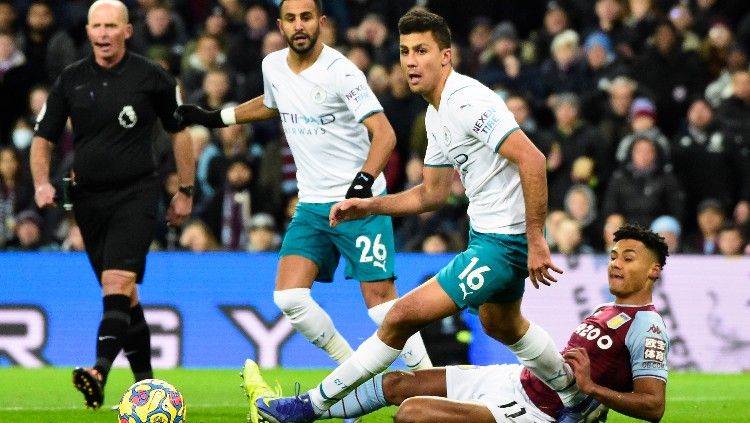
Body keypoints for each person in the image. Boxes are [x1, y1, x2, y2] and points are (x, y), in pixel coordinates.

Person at [254, 9, 598, 423]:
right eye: (404, 52)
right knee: (501, 324)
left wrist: (536, 239)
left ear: (446, 56)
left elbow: (533, 159)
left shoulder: (466, 101)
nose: (411, 61)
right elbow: (431, 195)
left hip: (504, 245)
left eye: (422, 50)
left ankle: (310, 406)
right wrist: (369, 205)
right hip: (487, 239)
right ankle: (578, 399)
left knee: (398, 316)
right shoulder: (435, 115)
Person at [175, 0, 432, 379]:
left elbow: (385, 134)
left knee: (381, 308)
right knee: (289, 297)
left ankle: (431, 383)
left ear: (321, 23)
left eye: (307, 18)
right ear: (280, 25)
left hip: (359, 206)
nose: (299, 26)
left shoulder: (341, 72)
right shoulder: (272, 66)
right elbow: (270, 102)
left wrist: (360, 188)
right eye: (291, 19)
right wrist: (217, 117)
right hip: (312, 204)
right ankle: (354, 374)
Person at [246, 224, 670, 422]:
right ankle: (295, 416)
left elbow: (653, 407)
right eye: (614, 256)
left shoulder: (647, 327)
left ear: (653, 272)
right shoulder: (606, 310)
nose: (616, 264)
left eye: (629, 258)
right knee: (398, 384)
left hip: (536, 412)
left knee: (412, 414)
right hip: (516, 380)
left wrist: (592, 391)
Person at [29, 0, 194, 409]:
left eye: (111, 26)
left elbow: (181, 133)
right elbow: (43, 137)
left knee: (116, 284)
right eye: (96, 26)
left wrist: (185, 190)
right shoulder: (70, 79)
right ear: (87, 31)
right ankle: (148, 387)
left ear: (127, 31)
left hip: (137, 193)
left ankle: (99, 370)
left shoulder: (151, 76)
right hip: (87, 200)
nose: (103, 34)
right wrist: (39, 184)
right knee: (126, 296)